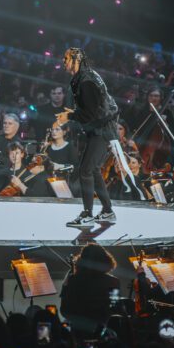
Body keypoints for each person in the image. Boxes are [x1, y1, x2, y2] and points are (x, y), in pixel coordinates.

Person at [59, 47, 119, 227]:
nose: (64, 62)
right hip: (99, 128)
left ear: (76, 60)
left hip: (103, 130)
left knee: (85, 170)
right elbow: (90, 109)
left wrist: (69, 116)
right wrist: (75, 112)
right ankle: (107, 211)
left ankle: (88, 214)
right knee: (92, 169)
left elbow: (91, 114)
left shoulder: (86, 81)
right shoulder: (82, 77)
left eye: (66, 59)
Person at [60, 242, 121, 336]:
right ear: (105, 260)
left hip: (78, 333)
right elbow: (115, 309)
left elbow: (64, 310)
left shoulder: (72, 280)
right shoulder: (113, 282)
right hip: (103, 332)